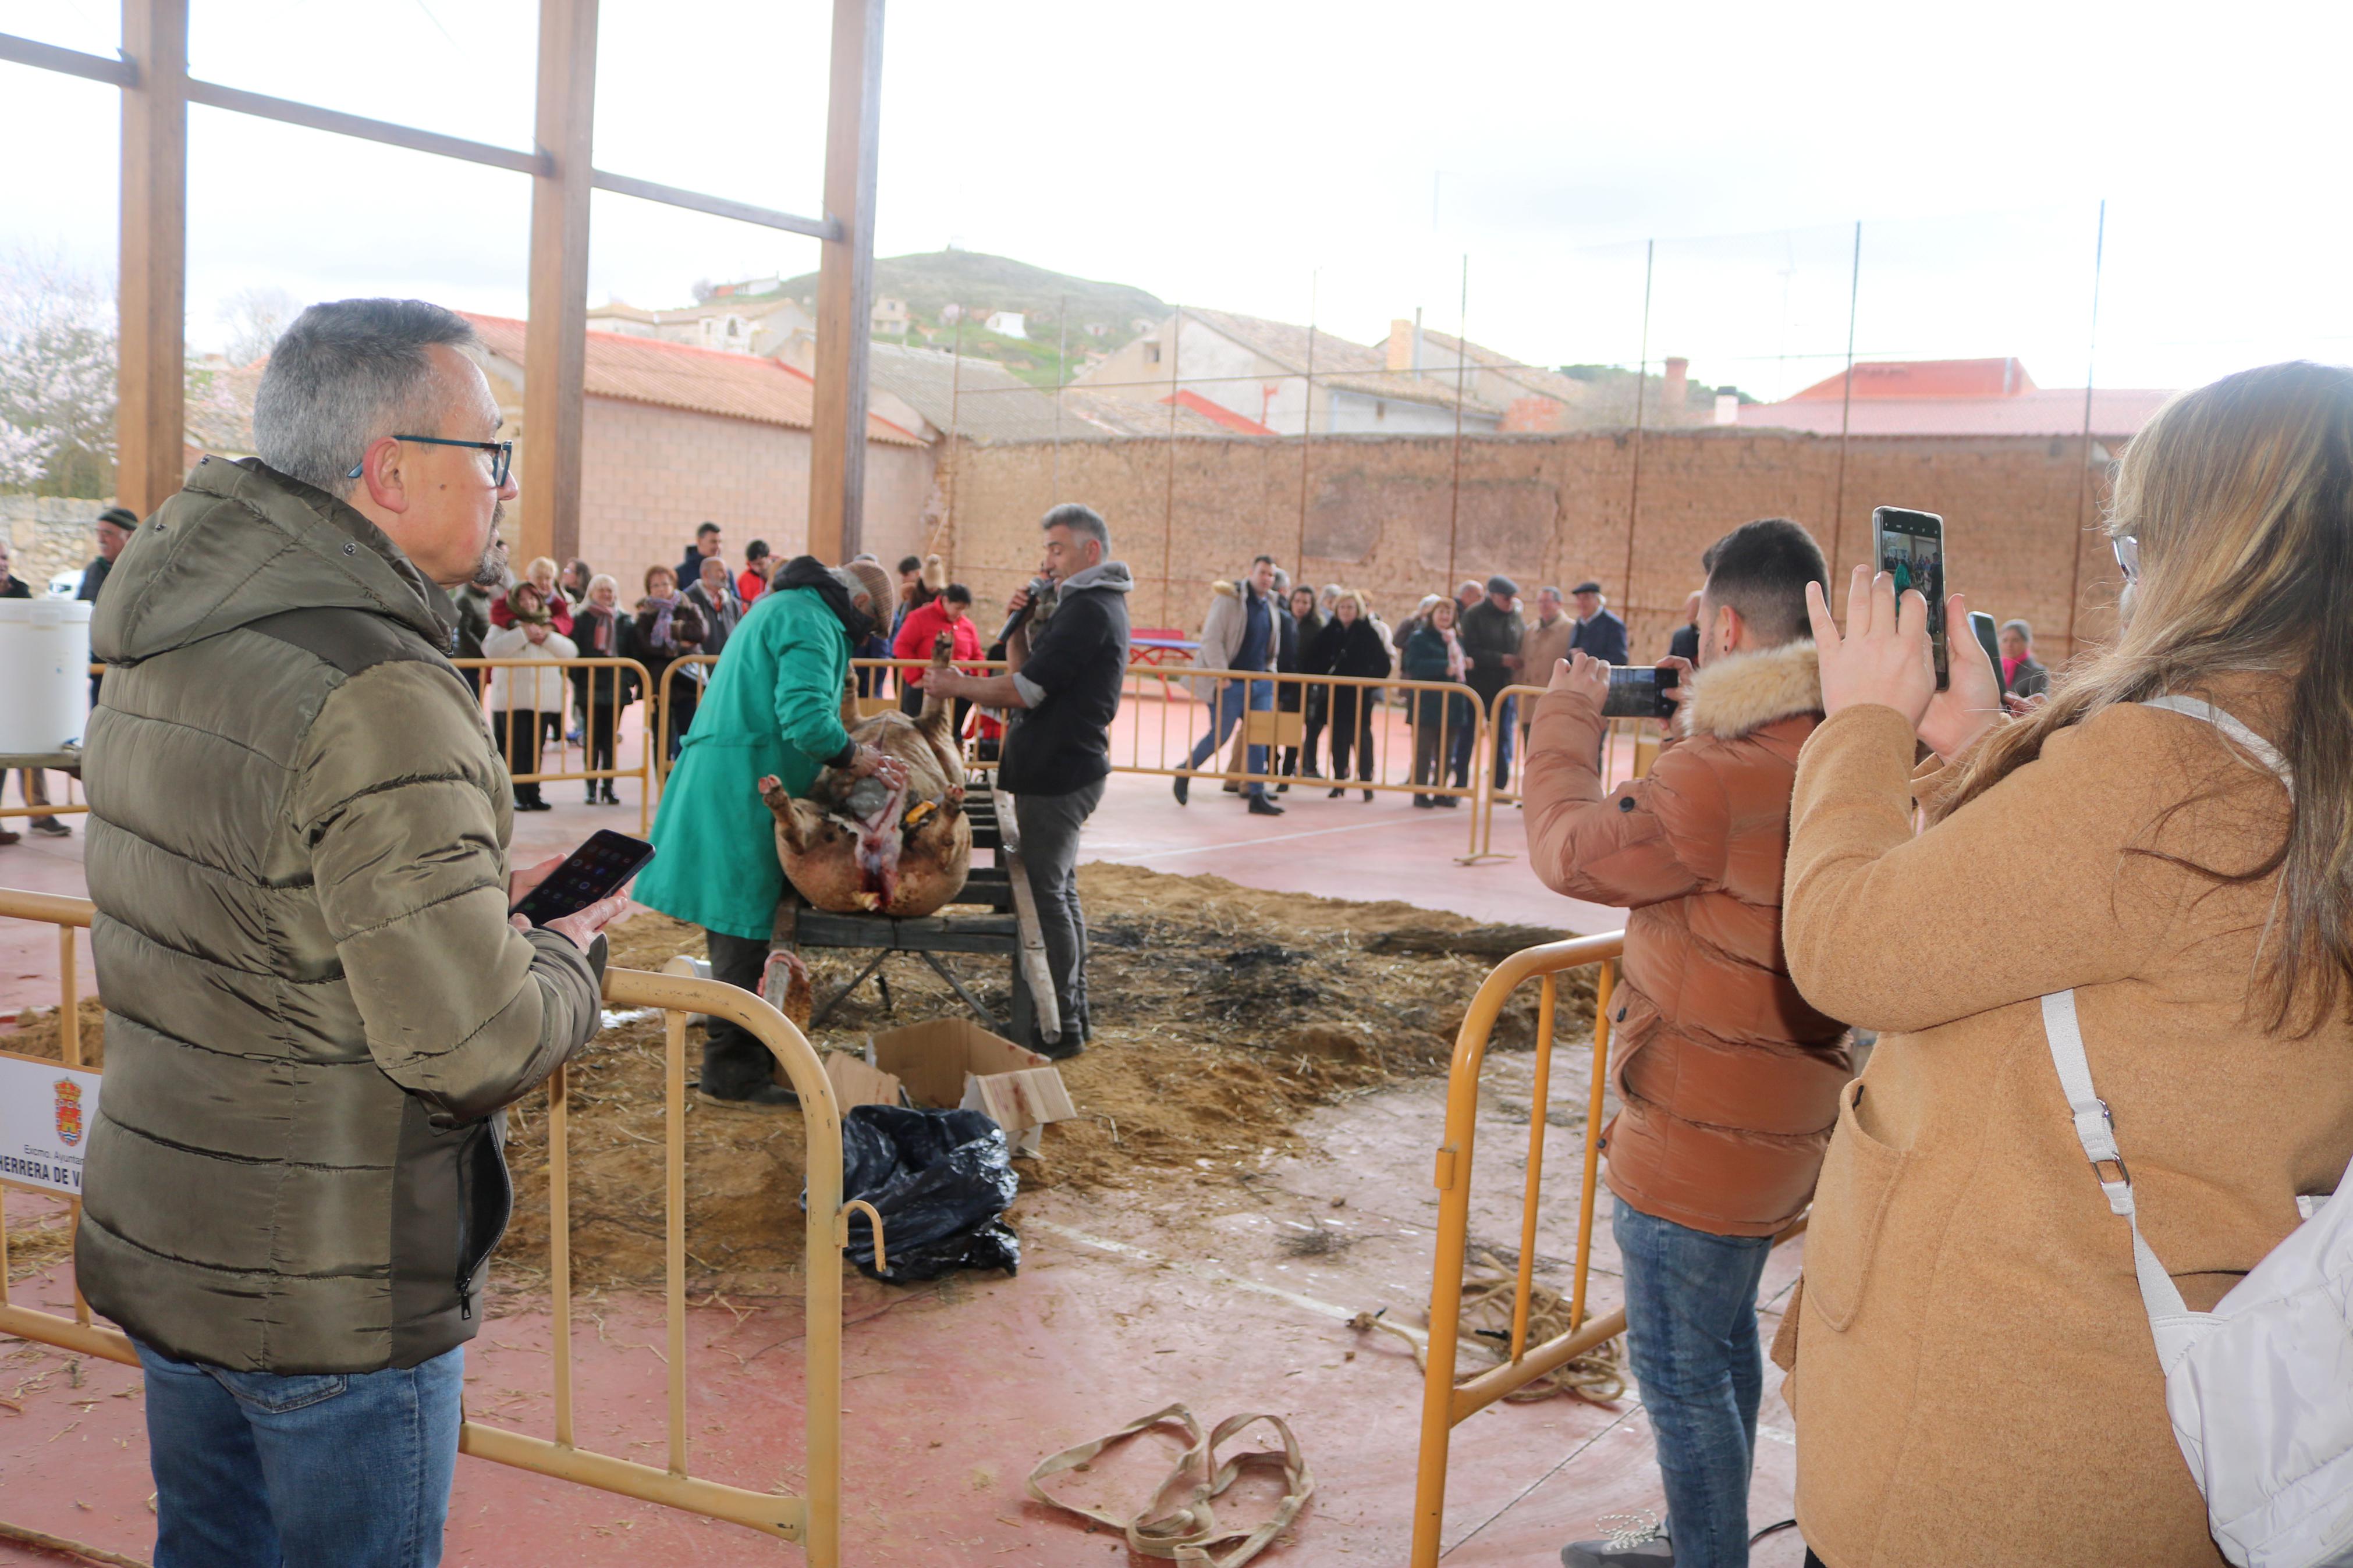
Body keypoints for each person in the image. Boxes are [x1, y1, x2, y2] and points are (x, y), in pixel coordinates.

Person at [1773, 364, 2353, 1568]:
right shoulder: (2287, 760)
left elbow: (1842, 944)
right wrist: (1979, 747)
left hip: (1993, 1453)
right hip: (2141, 1433)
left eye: (2134, 546)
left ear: (2211, 555)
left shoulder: (2156, 774)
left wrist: (1862, 724)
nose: (2124, 577)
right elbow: (2113, 928)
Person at [76, 298, 617, 1565]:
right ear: (389, 471)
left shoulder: (167, 639)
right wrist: (566, 952)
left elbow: (274, 906)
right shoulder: (379, 689)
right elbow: (473, 1042)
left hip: (171, 1231)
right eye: (490, 454)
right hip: (324, 1285)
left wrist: (458, 885)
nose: (504, 485)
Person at [1527, 517, 1851, 1568]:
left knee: (1676, 1375)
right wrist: (1696, 731)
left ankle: (1704, 1553)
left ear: (1720, 622)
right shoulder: (1838, 751)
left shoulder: (1711, 776)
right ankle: (1690, 1531)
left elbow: (1570, 851)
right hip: (1778, 1128)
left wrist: (1566, 720)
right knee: (1722, 1350)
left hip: (1691, 1142)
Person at [633, 556, 907, 1107]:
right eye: (868, 629)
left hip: (739, 776)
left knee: (743, 926)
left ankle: (746, 1054)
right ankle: (732, 1078)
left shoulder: (785, 607)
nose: (862, 640)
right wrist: (858, 758)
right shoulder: (812, 622)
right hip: (745, 786)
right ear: (858, 605)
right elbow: (805, 719)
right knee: (744, 925)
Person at [927, 504, 1133, 1059]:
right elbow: (1028, 669)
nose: (1047, 560)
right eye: (1045, 550)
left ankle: (1060, 1023)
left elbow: (1025, 692)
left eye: (1058, 549)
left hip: (1060, 770)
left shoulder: (1090, 608)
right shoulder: (1079, 604)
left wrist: (958, 684)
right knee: (1057, 892)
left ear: (1091, 551)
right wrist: (1018, 625)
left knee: (1047, 898)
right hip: (1058, 765)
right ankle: (1072, 1012)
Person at [1177, 555, 1284, 816]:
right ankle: (1185, 771)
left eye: (1271, 575)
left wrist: (1270, 674)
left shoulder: (1271, 604)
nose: (1266, 578)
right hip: (1230, 683)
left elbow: (1271, 646)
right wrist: (1221, 676)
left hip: (1260, 683)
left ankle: (1256, 794)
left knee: (1258, 737)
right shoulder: (1229, 600)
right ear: (1251, 572)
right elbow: (1212, 640)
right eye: (1262, 573)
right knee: (1220, 735)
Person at [482, 581, 577, 812]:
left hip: (542, 700)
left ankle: (533, 793)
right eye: (523, 599)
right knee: (514, 751)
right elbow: (491, 651)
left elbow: (571, 652)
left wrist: (545, 637)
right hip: (512, 700)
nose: (529, 603)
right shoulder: (504, 626)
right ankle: (514, 794)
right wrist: (523, 634)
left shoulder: (549, 626)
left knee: (536, 749)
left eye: (532, 598)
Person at [1306, 589, 1390, 801]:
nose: (1345, 611)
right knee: (1337, 740)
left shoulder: (1367, 633)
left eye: (1350, 607)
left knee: (1361, 739)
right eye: (1342, 607)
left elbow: (1383, 664)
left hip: (1358, 696)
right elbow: (1313, 658)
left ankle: (1366, 782)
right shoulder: (1329, 632)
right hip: (1334, 696)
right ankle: (1339, 781)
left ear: (1358, 609)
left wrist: (1368, 684)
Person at [569, 573, 638, 805]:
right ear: (592, 592)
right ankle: (590, 786)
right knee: (591, 739)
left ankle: (608, 786)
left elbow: (632, 653)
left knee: (610, 740)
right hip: (589, 687)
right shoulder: (581, 619)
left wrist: (628, 679)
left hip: (616, 687)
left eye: (610, 590)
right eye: (602, 590)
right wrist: (579, 679)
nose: (606, 594)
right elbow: (573, 653)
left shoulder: (625, 621)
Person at [1401, 596, 1475, 807]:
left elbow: (1458, 663)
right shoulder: (1420, 638)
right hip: (1428, 703)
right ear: (1432, 615)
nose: (1444, 617)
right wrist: (1443, 666)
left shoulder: (1455, 639)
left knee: (1446, 751)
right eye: (1441, 612)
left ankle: (1440, 790)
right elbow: (1413, 665)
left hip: (1452, 704)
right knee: (1424, 750)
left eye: (1448, 613)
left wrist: (1464, 664)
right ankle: (1421, 791)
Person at [631, 563, 708, 762]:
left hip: (688, 683)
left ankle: (685, 783)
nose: (661, 589)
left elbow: (700, 633)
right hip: (659, 686)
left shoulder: (688, 607)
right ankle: (663, 787)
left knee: (689, 735)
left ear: (673, 584)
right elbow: (646, 645)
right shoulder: (645, 615)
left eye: (665, 584)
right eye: (655, 585)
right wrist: (680, 643)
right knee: (661, 739)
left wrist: (673, 633)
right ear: (649, 589)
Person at [1460, 574, 1527, 790]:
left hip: (1503, 686)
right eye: (1506, 599)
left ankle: (1499, 786)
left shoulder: (1514, 617)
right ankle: (1460, 782)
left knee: (1502, 737)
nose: (1510, 603)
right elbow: (1470, 649)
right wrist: (1501, 659)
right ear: (1494, 596)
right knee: (1467, 734)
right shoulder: (1474, 615)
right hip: (1476, 685)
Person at [894, 581, 982, 718]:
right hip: (924, 689)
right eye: (958, 608)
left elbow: (977, 655)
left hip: (958, 693)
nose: (960, 613)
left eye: (963, 609)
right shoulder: (919, 618)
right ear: (946, 601)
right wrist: (915, 679)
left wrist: (979, 683)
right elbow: (902, 646)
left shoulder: (968, 626)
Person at [1519, 585, 1577, 768]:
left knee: (1553, 754)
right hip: (1529, 704)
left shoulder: (1571, 629)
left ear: (1559, 604)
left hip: (1555, 703)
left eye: (1548, 601)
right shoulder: (1530, 630)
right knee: (1530, 752)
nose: (1543, 606)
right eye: (1540, 601)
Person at [1283, 584, 1326, 782]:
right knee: (1275, 726)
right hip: (1281, 683)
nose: (1301, 606)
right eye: (1297, 601)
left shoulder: (1316, 628)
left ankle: (1289, 769)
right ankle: (1272, 765)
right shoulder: (1283, 620)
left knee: (1296, 730)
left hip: (1304, 687)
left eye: (1305, 602)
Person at [1569, 579, 1630, 666]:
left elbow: (1620, 659)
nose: (1581, 603)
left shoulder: (1613, 625)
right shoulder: (1579, 623)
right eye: (1579, 599)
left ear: (1597, 601)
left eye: (1586, 598)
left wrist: (1587, 656)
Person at [2000, 617, 2049, 698]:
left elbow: (2038, 706)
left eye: (2015, 640)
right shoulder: (1997, 669)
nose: (2009, 645)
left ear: (2027, 643)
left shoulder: (2037, 673)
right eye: (2005, 640)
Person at [676, 521, 723, 593]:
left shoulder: (726, 573)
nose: (718, 547)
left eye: (719, 542)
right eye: (713, 542)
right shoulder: (681, 573)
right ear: (699, 541)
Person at [1669, 589, 1703, 663]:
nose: (1688, 615)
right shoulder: (1680, 636)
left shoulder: (1717, 636)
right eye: (1688, 609)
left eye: (1693, 608)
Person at [738, 538, 773, 605]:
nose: (757, 568)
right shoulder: (745, 579)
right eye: (753, 564)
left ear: (769, 557)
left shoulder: (780, 573)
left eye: (760, 564)